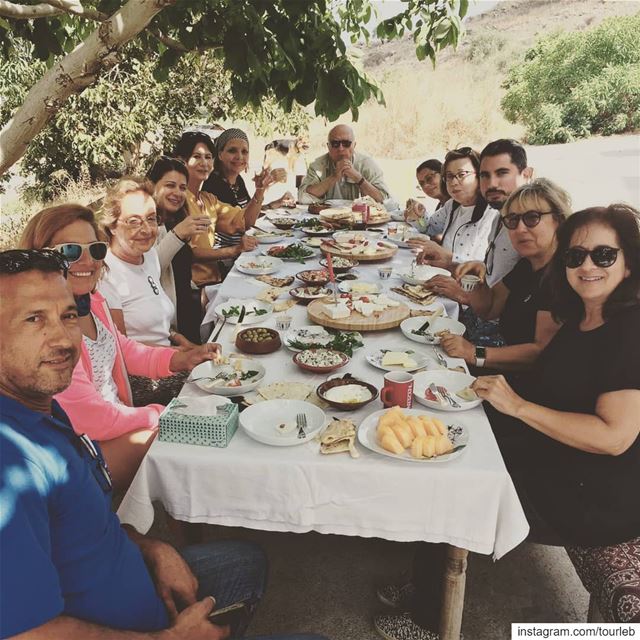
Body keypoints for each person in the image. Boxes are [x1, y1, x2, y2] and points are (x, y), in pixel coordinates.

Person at [0, 248, 328, 640]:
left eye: (68, 315)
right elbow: (26, 633)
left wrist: (150, 548)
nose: (63, 338)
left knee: (246, 559)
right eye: (34, 319)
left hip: (139, 582)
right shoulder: (10, 462)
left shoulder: (44, 408)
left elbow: (90, 525)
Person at [475, 204, 640, 623]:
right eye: (574, 256)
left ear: (629, 264)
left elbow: (613, 437)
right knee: (458, 447)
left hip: (592, 500)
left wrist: (517, 406)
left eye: (604, 255)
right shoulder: (587, 318)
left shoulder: (629, 332)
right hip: (556, 463)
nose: (587, 265)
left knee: (457, 484)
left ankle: (426, 613)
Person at [18, 205, 219, 491]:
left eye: (96, 250)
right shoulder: (46, 333)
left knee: (190, 427)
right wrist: (158, 413)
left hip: (111, 424)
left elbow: (123, 350)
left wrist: (181, 359)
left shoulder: (92, 302)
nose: (87, 260)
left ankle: (175, 525)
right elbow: (91, 418)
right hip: (78, 451)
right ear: (40, 256)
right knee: (178, 438)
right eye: (70, 251)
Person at [430, 179, 569, 372]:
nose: (519, 229)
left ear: (559, 220)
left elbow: (541, 350)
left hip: (525, 384)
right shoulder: (526, 266)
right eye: (512, 220)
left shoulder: (562, 276)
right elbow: (489, 309)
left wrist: (473, 353)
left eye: (532, 217)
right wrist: (478, 285)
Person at [174, 131, 258, 287]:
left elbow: (243, 221)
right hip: (193, 286)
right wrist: (233, 250)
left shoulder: (207, 199)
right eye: (197, 157)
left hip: (214, 279)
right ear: (182, 161)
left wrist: (261, 190)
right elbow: (188, 253)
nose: (204, 163)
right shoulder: (178, 199)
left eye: (207, 157)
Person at [149, 156, 210, 344]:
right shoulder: (146, 226)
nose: (177, 193)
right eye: (170, 185)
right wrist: (177, 234)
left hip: (187, 312)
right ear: (152, 186)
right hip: (168, 329)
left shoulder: (175, 220)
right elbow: (150, 269)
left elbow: (179, 271)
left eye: (182, 188)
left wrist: (200, 293)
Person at [408, 147, 498, 271]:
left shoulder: (492, 215)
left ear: (480, 176)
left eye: (461, 175)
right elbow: (429, 228)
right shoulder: (452, 205)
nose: (453, 182)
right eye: (449, 176)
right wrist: (419, 216)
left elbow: (484, 268)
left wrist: (446, 256)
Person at [203, 127, 295, 213]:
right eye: (232, 151)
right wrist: (261, 189)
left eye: (244, 152)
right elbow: (241, 220)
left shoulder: (238, 180)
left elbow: (250, 210)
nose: (239, 157)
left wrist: (276, 203)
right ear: (220, 155)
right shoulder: (214, 184)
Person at [297, 124, 390, 204]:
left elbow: (384, 200)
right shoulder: (318, 165)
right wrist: (334, 177)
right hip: (327, 219)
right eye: (335, 144)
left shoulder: (366, 164)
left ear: (354, 145)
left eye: (346, 143)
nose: (341, 149)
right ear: (328, 146)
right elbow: (303, 197)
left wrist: (359, 179)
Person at [404, 159, 447, 234]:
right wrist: (417, 216)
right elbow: (430, 230)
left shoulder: (456, 205)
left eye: (429, 178)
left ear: (443, 174)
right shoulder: (441, 205)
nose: (426, 185)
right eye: (422, 183)